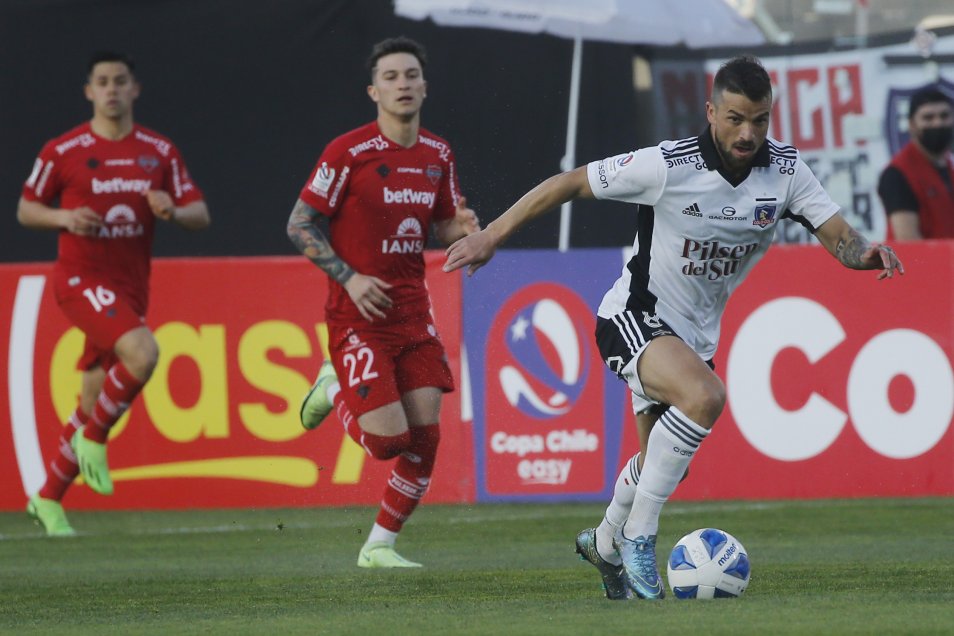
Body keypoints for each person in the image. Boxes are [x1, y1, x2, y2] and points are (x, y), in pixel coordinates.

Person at [444, 55, 903, 600]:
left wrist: (867, 254)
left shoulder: (784, 173)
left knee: (662, 466)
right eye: (735, 118)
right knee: (705, 397)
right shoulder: (668, 165)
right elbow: (569, 183)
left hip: (692, 339)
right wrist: (492, 235)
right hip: (633, 318)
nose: (748, 133)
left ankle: (606, 542)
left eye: (759, 120)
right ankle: (640, 538)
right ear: (711, 111)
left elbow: (839, 238)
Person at [287, 36, 479, 568]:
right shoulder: (347, 152)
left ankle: (379, 546)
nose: (402, 84)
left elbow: (442, 224)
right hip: (358, 316)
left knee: (427, 437)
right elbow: (300, 222)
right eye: (391, 77)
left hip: (413, 313)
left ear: (424, 86)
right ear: (374, 90)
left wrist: (462, 231)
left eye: (411, 75)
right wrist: (348, 278)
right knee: (388, 444)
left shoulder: (438, 153)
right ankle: (333, 388)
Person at [18, 51, 211, 536]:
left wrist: (171, 209)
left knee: (90, 399)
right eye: (101, 82)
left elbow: (200, 215)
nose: (111, 89)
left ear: (134, 89)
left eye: (119, 81)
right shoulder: (63, 150)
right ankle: (96, 439)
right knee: (144, 353)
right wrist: (64, 217)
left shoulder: (158, 151)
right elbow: (26, 208)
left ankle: (46, 500)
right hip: (80, 280)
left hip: (129, 287)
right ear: (89, 91)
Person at [877, 87, 954, 240]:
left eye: (944, 116)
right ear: (912, 124)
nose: (937, 123)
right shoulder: (897, 174)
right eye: (928, 117)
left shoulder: (949, 165)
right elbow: (908, 242)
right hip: (924, 262)